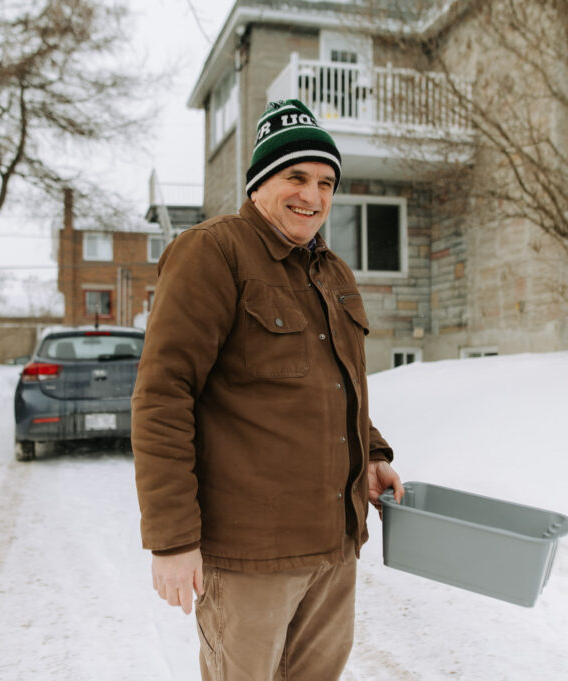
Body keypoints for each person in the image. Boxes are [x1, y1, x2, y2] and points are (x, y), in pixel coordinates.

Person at [132, 98, 404, 681]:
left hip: (334, 548)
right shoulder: (213, 252)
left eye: (326, 183)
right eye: (296, 177)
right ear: (259, 183)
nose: (313, 196)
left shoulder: (332, 271)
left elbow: (340, 387)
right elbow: (162, 397)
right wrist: (172, 539)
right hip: (250, 555)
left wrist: (373, 454)